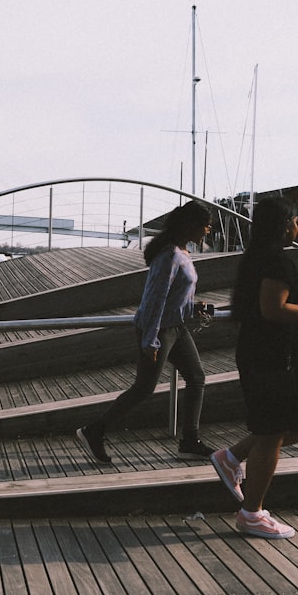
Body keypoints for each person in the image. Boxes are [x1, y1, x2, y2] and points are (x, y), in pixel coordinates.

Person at [210, 196, 298, 539]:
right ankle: (252, 513)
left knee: (292, 427)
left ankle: (232, 458)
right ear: (284, 224)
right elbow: (273, 310)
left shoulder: (257, 258)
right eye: (296, 220)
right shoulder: (275, 261)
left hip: (264, 351)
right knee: (275, 430)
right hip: (274, 356)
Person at [77, 199, 215, 464]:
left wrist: (194, 307)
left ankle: (189, 441)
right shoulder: (170, 255)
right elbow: (154, 300)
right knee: (144, 388)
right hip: (158, 330)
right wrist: (150, 341)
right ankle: (94, 430)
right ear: (191, 226)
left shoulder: (182, 253)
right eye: (206, 226)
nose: (208, 231)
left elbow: (174, 296)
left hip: (176, 327)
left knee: (197, 378)